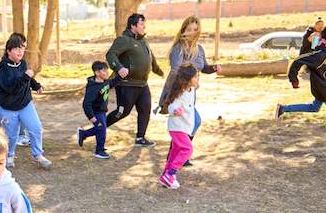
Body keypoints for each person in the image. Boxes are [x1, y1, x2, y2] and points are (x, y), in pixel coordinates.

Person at [158, 15, 220, 166]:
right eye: (190, 29)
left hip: (191, 93)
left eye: (195, 30)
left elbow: (203, 67)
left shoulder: (199, 49)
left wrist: (213, 68)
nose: (192, 32)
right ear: (184, 29)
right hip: (178, 92)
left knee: (190, 123)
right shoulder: (178, 48)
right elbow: (175, 70)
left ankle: (178, 154)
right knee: (193, 122)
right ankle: (181, 154)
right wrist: (169, 96)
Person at [105, 13, 164, 147]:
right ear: (133, 26)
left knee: (145, 109)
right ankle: (99, 127)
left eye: (144, 24)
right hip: (127, 84)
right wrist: (119, 68)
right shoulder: (124, 39)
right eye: (141, 24)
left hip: (143, 84)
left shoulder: (143, 41)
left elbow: (151, 57)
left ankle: (140, 138)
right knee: (123, 112)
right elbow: (110, 54)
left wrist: (159, 71)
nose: (144, 26)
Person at [0, 33, 52, 169]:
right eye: (17, 48)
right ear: (9, 51)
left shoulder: (23, 63)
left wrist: (36, 85)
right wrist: (26, 77)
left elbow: (27, 78)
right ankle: (9, 155)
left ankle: (37, 155)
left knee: (36, 128)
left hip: (25, 104)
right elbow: (9, 87)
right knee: (12, 135)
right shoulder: (3, 67)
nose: (21, 51)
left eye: (22, 48)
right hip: (8, 106)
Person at [159, 64, 198, 189]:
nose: (198, 79)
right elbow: (171, 105)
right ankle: (171, 173)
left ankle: (166, 175)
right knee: (187, 149)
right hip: (177, 127)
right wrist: (175, 110)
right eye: (196, 77)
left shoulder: (190, 90)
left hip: (184, 127)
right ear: (187, 79)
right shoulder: (180, 93)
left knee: (175, 151)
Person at [77, 61, 116, 159]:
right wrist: (91, 117)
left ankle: (83, 134)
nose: (107, 72)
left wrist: (121, 74)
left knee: (100, 128)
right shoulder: (93, 87)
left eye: (107, 70)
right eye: (104, 71)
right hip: (96, 112)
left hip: (102, 111)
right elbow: (86, 104)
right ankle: (99, 151)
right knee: (102, 130)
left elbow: (114, 82)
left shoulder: (106, 81)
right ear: (97, 73)